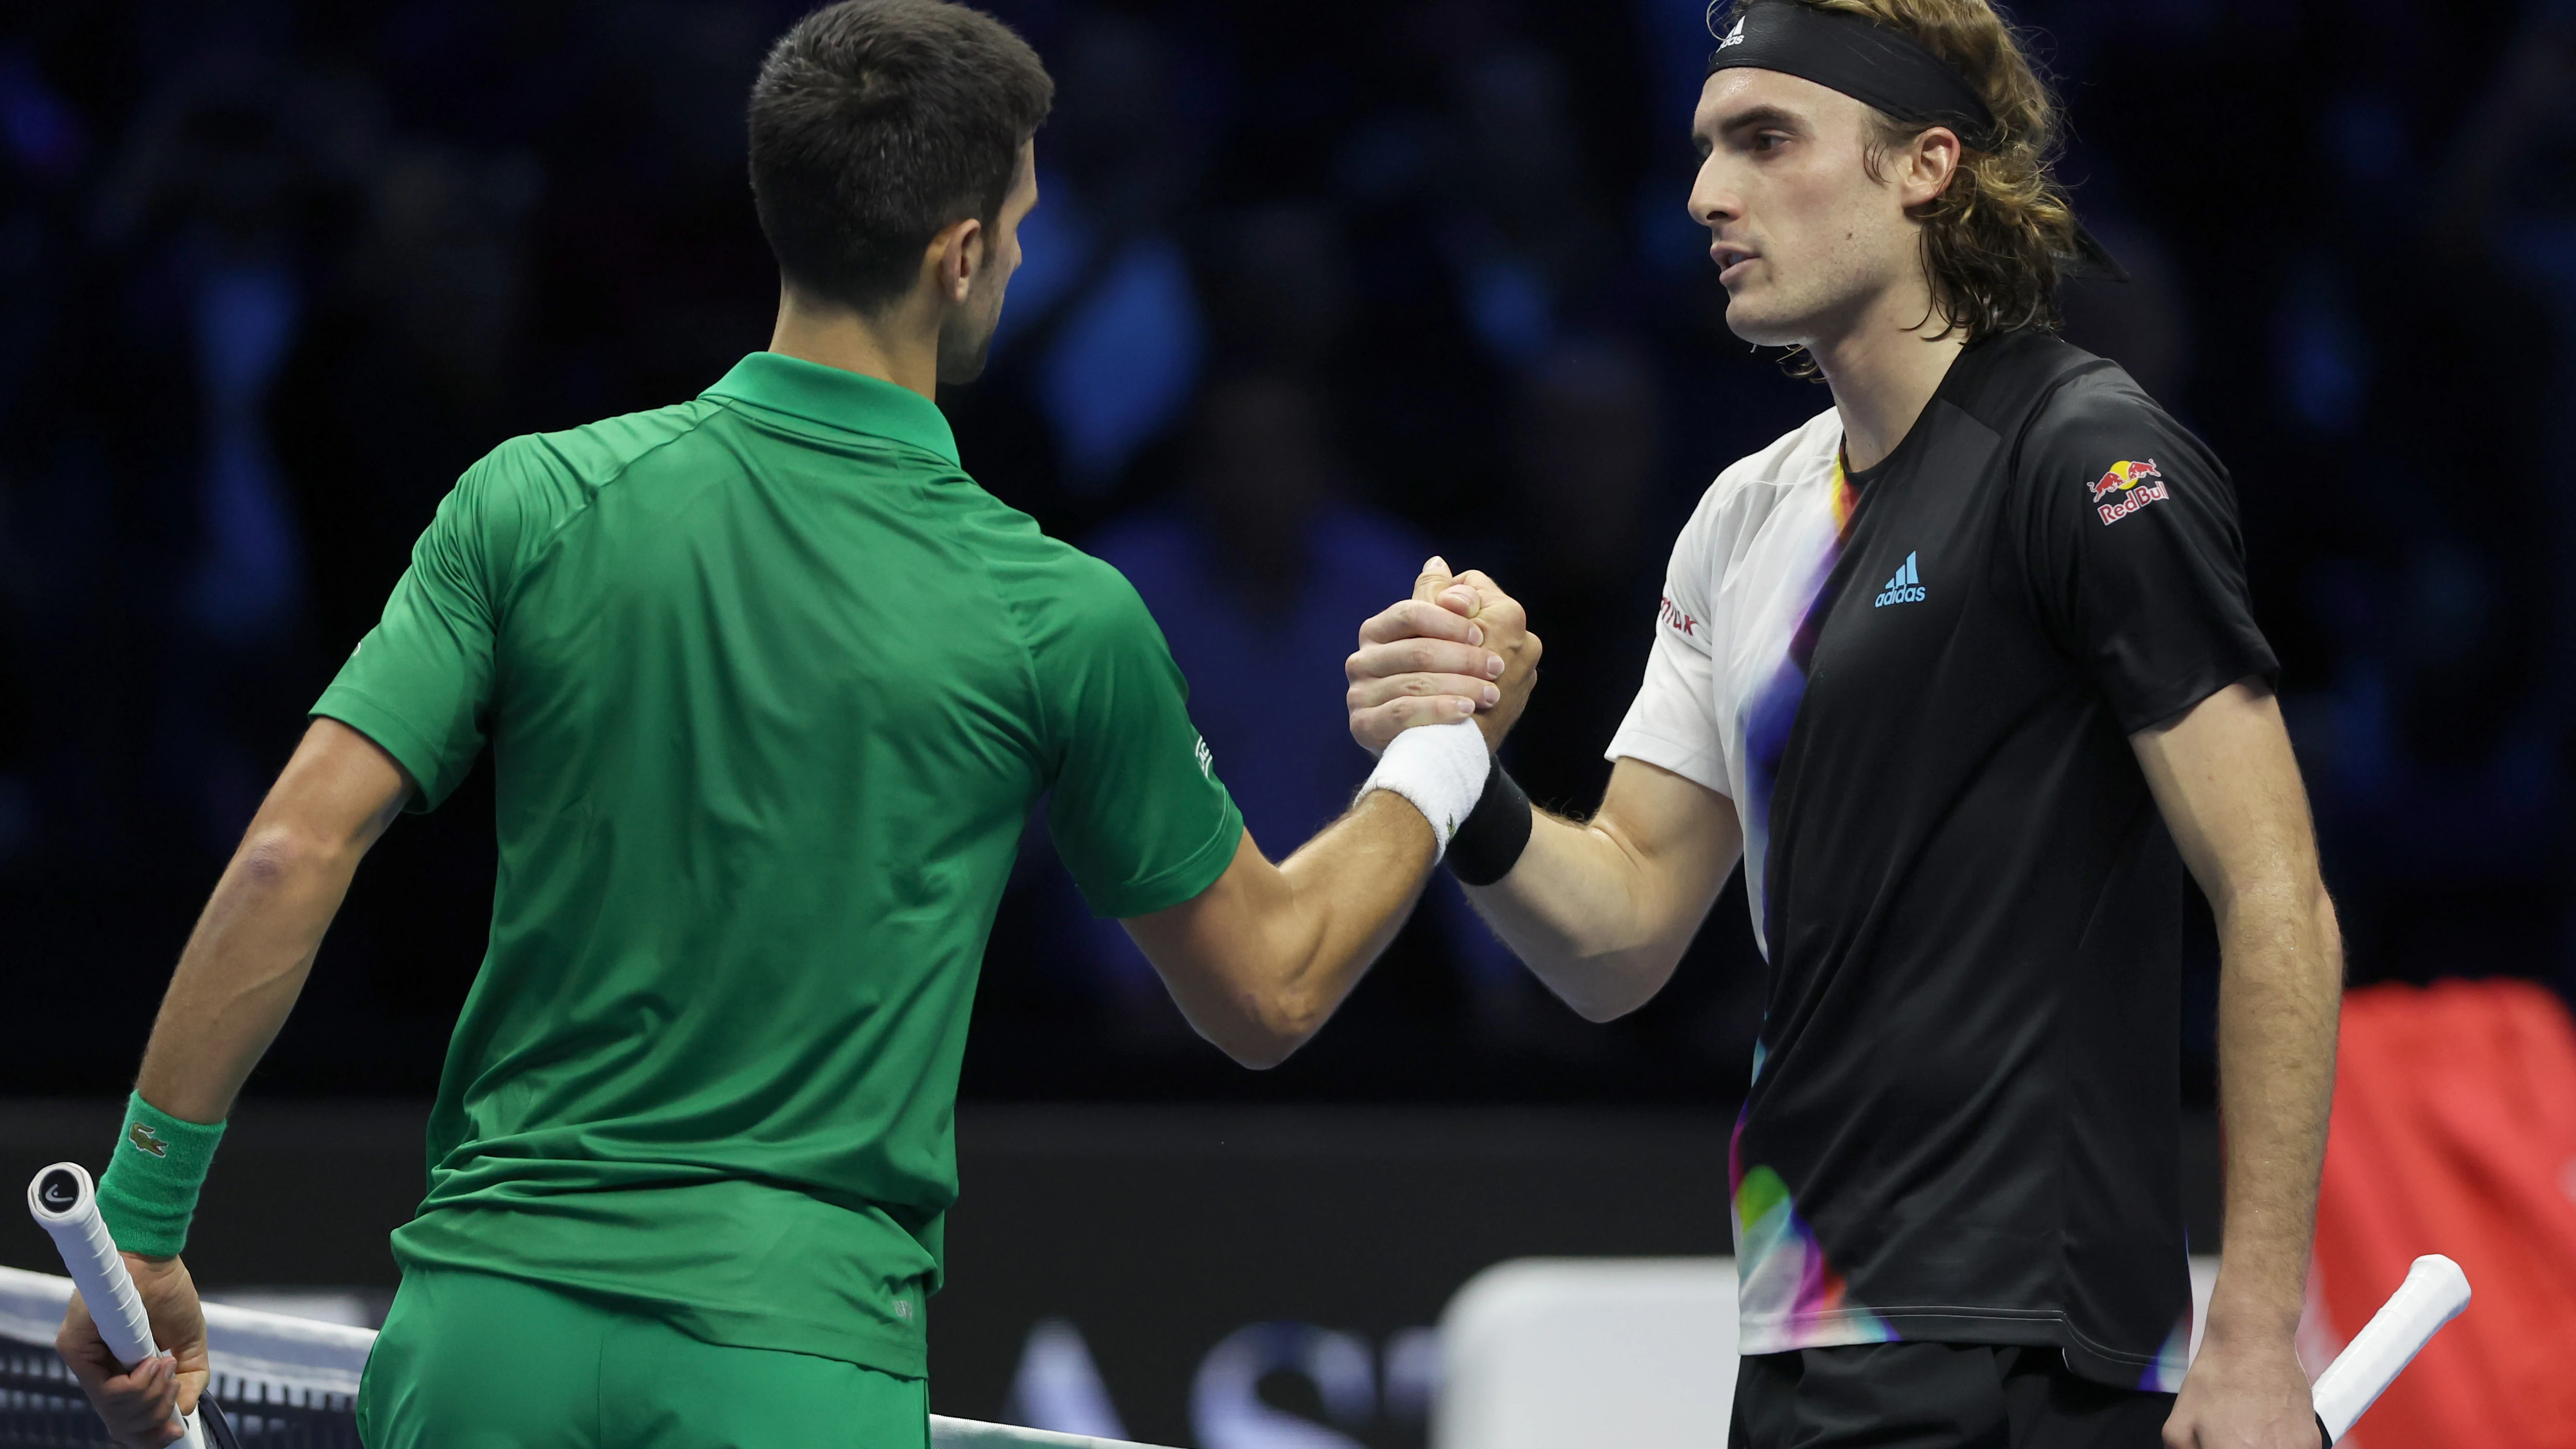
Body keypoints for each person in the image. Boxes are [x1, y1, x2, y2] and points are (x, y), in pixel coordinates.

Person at [54, 4, 1532, 1446]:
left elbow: (288, 850)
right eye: (1015, 224)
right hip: (791, 1360)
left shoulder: (533, 498)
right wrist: (1447, 743)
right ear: (959, 258)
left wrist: (144, 1226)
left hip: (488, 1334)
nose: (1018, 252)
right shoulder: (1052, 611)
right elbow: (1266, 988)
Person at [1345, 2, 2340, 1445]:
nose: (1704, 194)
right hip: (1801, 1329)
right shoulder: (1740, 515)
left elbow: (2275, 895)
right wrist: (1458, 772)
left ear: (1922, 165)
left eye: (1763, 142)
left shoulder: (2086, 456)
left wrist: (2252, 1333)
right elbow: (1622, 936)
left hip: (2023, 1339)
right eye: (1701, 149)